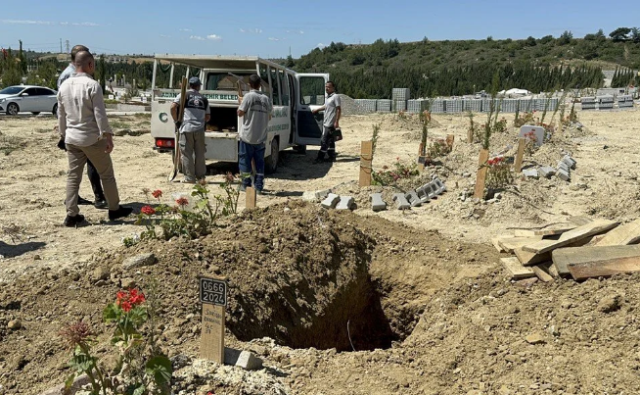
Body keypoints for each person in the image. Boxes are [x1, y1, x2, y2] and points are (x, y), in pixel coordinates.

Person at [57, 51, 132, 226]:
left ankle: (71, 214)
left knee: (73, 177)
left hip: (71, 139)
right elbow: (100, 115)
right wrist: (108, 136)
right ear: (90, 65)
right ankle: (114, 209)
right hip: (91, 138)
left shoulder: (64, 86)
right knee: (106, 174)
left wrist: (62, 135)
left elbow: (60, 116)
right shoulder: (93, 85)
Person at [57, 44, 107, 209]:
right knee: (92, 162)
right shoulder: (76, 76)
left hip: (72, 127)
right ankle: (99, 198)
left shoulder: (66, 74)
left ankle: (73, 197)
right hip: (83, 127)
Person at [237, 74, 272, 193]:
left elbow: (240, 113)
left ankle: (245, 185)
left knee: (244, 161)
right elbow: (269, 116)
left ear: (249, 84)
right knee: (259, 163)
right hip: (261, 137)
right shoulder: (266, 99)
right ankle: (258, 187)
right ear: (260, 85)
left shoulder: (248, 97)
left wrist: (240, 103)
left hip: (247, 136)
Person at [171, 76, 210, 183]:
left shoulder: (184, 95)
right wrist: (200, 121)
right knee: (200, 154)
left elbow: (173, 107)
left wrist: (176, 121)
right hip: (199, 129)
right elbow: (207, 117)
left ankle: (189, 178)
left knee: (187, 154)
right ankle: (201, 177)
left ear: (190, 85)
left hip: (186, 128)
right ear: (198, 86)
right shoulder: (204, 99)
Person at [312, 81, 341, 163]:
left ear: (333, 88)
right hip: (327, 122)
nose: (326, 88)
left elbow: (338, 109)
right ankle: (332, 156)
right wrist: (317, 109)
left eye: (328, 87)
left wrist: (336, 121)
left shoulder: (335, 97)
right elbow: (326, 106)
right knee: (331, 141)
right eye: (326, 86)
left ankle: (320, 158)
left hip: (331, 123)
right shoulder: (328, 97)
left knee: (324, 141)